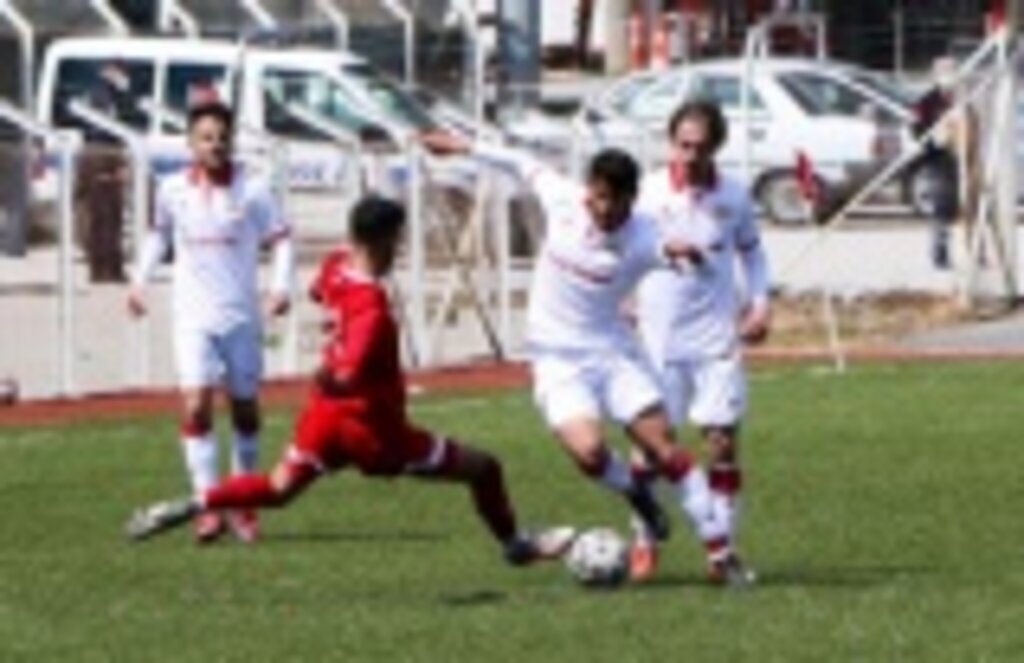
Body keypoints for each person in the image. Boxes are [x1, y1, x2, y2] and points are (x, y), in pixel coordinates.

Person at [125, 196, 576, 567]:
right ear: (378, 242)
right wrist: (335, 369)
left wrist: (327, 350)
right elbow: (348, 374)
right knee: (484, 468)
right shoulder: (373, 310)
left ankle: (196, 502)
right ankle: (516, 544)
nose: (398, 251)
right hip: (376, 432)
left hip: (323, 418)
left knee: (280, 488)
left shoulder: (336, 264)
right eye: (395, 242)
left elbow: (318, 293)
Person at [421, 132, 751, 586]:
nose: (602, 210)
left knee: (665, 447)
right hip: (556, 357)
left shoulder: (644, 234)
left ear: (631, 201)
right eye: (597, 198)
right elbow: (519, 160)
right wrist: (463, 146)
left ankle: (721, 553)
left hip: (613, 352)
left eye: (613, 202)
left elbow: (665, 248)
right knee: (590, 451)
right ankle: (636, 494)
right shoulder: (562, 200)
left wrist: (684, 255)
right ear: (588, 190)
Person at [127, 101, 294, 544]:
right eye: (206, 138)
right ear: (191, 143)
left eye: (222, 138)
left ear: (230, 141)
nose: (215, 145)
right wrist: (139, 280)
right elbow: (158, 234)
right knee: (196, 404)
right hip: (192, 316)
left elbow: (281, 241)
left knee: (244, 409)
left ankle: (244, 503)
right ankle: (207, 505)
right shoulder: (172, 189)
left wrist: (280, 288)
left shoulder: (252, 190)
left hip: (240, 316)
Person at [626, 100, 770, 583]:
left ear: (716, 148)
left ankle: (721, 553)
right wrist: (620, 296)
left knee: (723, 446)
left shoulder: (734, 195)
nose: (688, 156)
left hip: (715, 339)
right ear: (671, 143)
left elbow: (752, 254)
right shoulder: (645, 192)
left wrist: (761, 304)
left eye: (699, 147)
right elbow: (617, 246)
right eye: (682, 145)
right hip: (657, 340)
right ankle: (644, 540)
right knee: (650, 449)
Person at [912, 56, 977, 269]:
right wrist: (934, 137)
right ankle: (940, 252)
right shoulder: (926, 102)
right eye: (944, 71)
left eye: (952, 71)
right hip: (936, 159)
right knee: (941, 206)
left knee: (963, 206)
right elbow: (916, 130)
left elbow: (972, 123)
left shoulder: (962, 99)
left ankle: (973, 251)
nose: (948, 76)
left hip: (959, 158)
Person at [76, 61, 134, 283]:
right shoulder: (100, 95)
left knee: (112, 216)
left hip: (106, 155)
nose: (124, 79)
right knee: (103, 215)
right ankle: (103, 268)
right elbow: (102, 129)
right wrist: (117, 163)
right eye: (120, 73)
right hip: (100, 156)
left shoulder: (111, 95)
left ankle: (110, 267)